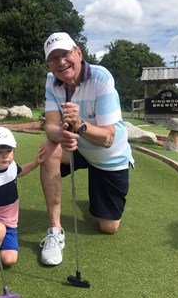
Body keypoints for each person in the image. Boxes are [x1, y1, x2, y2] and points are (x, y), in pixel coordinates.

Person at [39, 32, 134, 266]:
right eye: (53, 59)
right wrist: (60, 134)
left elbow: (108, 138)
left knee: (108, 227)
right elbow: (50, 126)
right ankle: (55, 230)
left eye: (65, 54)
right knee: (49, 148)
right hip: (77, 149)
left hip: (108, 156)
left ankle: (97, 198)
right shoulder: (52, 80)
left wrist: (80, 126)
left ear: (78, 53)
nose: (61, 62)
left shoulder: (101, 77)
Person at [0, 127, 45, 287]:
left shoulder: (12, 167)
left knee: (9, 260)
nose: (5, 155)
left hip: (10, 222)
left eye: (8, 150)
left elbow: (21, 171)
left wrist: (35, 163)